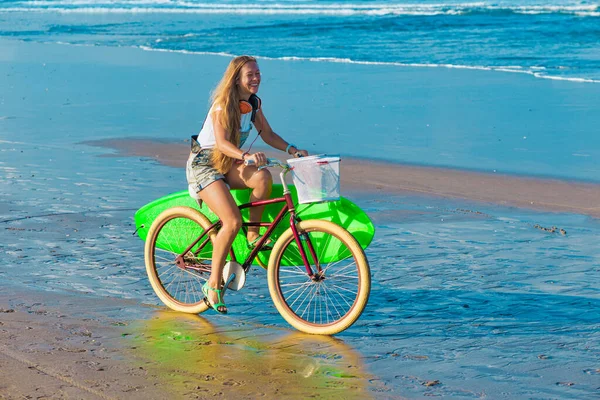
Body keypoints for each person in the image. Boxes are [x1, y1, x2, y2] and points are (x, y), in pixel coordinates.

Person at [186, 55, 309, 314]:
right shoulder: (223, 104)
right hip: (204, 164)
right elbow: (220, 144)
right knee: (231, 222)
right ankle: (212, 285)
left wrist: (291, 149)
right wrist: (246, 155)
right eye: (250, 74)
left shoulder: (253, 103)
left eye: (258, 73)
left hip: (227, 163)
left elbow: (267, 133)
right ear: (237, 78)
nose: (256, 78)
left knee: (263, 176)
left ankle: (253, 235)